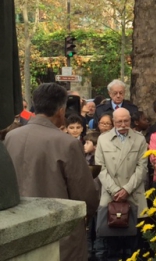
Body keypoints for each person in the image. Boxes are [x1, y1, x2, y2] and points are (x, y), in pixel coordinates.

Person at [4, 83, 99, 261]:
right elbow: (85, 194)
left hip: (17, 230)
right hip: (58, 233)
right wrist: (88, 213)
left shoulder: (11, 137)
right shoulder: (66, 143)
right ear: (61, 110)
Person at [94, 107, 148, 261]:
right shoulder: (103, 139)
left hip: (133, 194)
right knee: (110, 244)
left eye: (126, 121)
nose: (123, 124)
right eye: (119, 121)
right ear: (113, 122)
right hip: (111, 195)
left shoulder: (139, 139)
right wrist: (115, 190)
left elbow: (142, 167)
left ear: (131, 120)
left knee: (134, 245)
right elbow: (100, 168)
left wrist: (126, 189)